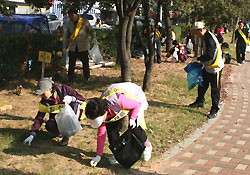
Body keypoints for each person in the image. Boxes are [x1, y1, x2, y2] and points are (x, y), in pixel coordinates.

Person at [85, 82, 152, 167]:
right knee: (111, 132)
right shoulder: (99, 110)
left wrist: (132, 118)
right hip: (115, 110)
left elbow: (136, 105)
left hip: (134, 99)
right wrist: (98, 155)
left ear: (103, 112)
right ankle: (118, 153)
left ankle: (147, 146)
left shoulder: (118, 101)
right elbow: (101, 134)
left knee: (135, 126)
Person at [23, 77, 85, 146]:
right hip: (57, 117)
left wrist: (72, 98)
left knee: (74, 105)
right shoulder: (44, 102)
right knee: (49, 126)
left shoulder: (64, 89)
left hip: (73, 114)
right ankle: (62, 133)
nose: (42, 96)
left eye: (43, 93)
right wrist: (32, 135)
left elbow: (82, 99)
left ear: (50, 89)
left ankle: (68, 136)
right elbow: (39, 118)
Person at [189, 21, 224, 119]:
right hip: (208, 67)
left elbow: (209, 55)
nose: (196, 34)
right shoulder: (205, 37)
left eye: (196, 32)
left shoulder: (209, 39)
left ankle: (214, 109)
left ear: (201, 30)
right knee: (202, 85)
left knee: (215, 89)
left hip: (215, 68)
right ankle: (200, 101)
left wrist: (198, 59)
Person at [64, 8, 97, 83]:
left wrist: (93, 38)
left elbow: (91, 31)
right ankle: (71, 79)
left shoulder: (84, 22)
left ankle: (87, 77)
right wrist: (65, 46)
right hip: (73, 47)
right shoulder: (69, 23)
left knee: (85, 63)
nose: (71, 18)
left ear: (76, 15)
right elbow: (67, 35)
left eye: (72, 15)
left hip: (83, 47)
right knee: (71, 64)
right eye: (69, 16)